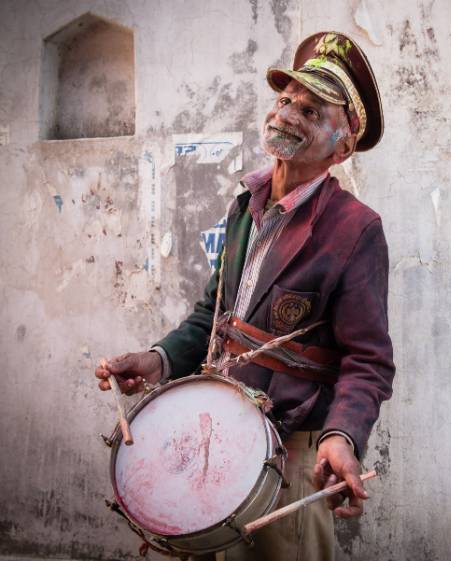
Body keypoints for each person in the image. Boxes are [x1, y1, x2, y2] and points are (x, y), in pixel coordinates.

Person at [95, 31, 395, 561]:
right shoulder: (245, 208)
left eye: (311, 110)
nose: (288, 114)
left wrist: (341, 437)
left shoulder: (355, 229)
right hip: (218, 435)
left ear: (342, 145)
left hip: (294, 451)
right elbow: (213, 317)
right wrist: (158, 358)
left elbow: (368, 362)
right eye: (285, 100)